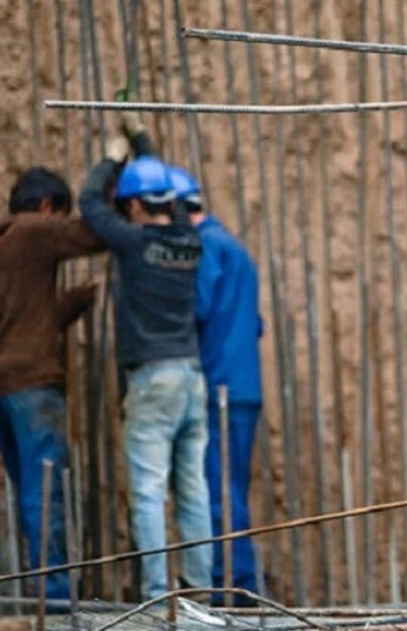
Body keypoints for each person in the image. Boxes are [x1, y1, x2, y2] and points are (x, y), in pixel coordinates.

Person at [78, 113, 212, 602]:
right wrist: (142, 142)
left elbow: (90, 203)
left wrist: (114, 156)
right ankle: (198, 590)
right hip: (191, 376)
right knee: (193, 489)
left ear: (133, 204)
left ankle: (157, 593)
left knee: (150, 491)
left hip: (153, 379)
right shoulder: (189, 240)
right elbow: (166, 193)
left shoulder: (134, 244)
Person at [0, 167, 105, 603]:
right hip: (34, 384)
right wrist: (106, 186)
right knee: (45, 492)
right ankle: (52, 598)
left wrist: (76, 301)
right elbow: (93, 235)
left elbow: (30, 319)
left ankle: (46, 592)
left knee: (31, 492)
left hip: (1, 386)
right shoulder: (34, 232)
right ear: (48, 207)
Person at [167, 165, 264, 605]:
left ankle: (235, 589)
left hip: (219, 386)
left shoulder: (205, 248)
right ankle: (237, 584)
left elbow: (197, 307)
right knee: (231, 486)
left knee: (219, 490)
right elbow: (254, 323)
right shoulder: (236, 249)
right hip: (244, 385)